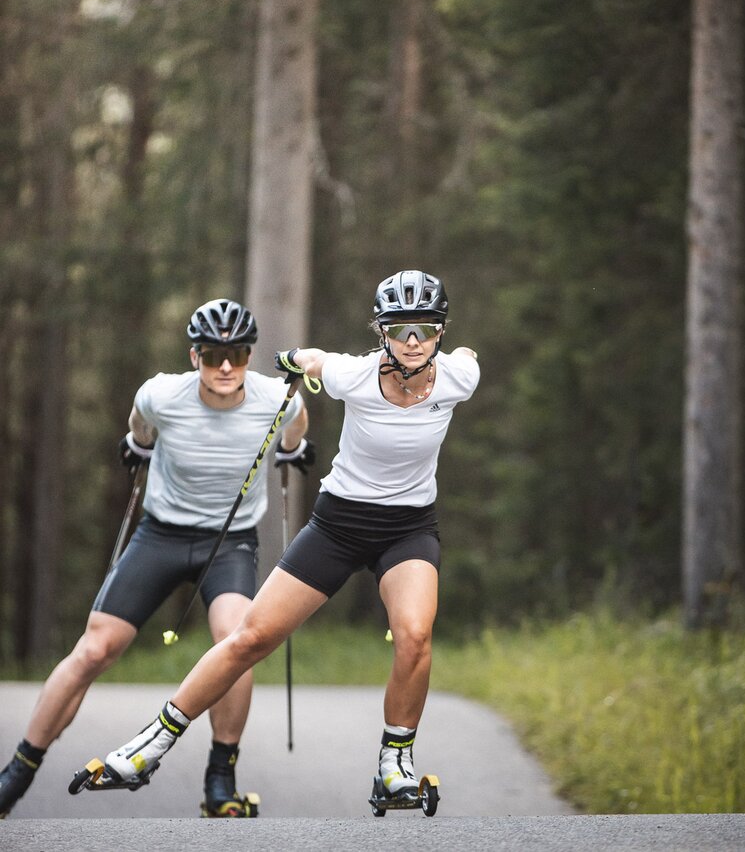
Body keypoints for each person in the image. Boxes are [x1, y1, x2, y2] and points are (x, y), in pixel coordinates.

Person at [98, 269, 479, 807]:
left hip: (408, 528)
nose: (412, 342)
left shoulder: (460, 377)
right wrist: (293, 359)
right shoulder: (354, 376)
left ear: (439, 332)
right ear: (381, 333)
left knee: (415, 634)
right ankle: (150, 744)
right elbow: (314, 359)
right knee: (251, 638)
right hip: (339, 524)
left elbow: (469, 357)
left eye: (424, 329)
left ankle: (394, 764)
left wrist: (465, 352)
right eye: (399, 329)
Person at [0, 298, 314, 819]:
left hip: (230, 542)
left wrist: (291, 450)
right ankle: (17, 772)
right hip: (161, 534)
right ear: (195, 357)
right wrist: (137, 444)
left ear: (250, 355)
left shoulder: (277, 399)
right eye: (214, 356)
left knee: (237, 641)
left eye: (237, 354)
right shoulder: (160, 394)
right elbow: (139, 428)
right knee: (96, 648)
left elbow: (295, 432)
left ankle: (220, 778)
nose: (227, 368)